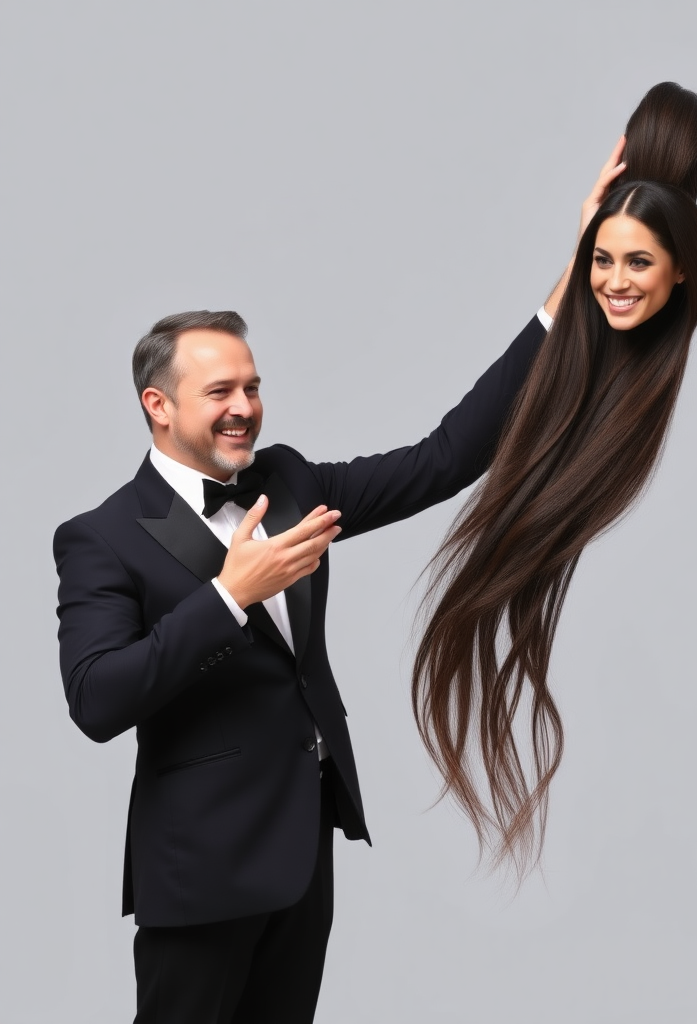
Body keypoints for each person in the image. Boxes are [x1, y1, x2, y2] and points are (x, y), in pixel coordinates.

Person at [52, 142, 627, 1018]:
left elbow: (447, 457)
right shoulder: (101, 538)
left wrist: (573, 278)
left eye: (253, 385)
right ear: (157, 406)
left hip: (300, 857)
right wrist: (228, 595)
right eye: (220, 392)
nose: (245, 406)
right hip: (200, 876)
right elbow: (98, 700)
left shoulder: (290, 482)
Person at [413, 83, 697, 875]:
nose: (615, 281)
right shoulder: (581, 344)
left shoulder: (645, 393)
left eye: (639, 263)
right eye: (602, 261)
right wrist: (577, 254)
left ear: (682, 272)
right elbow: (450, 457)